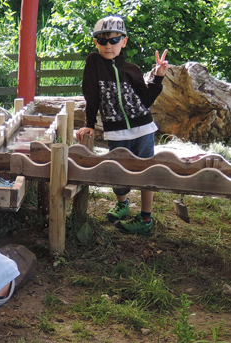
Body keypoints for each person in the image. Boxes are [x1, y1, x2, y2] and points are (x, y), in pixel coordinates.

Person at [76, 15, 169, 235]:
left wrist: (158, 78)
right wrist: (89, 124)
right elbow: (91, 94)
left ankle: (146, 218)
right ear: (96, 43)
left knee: (146, 171)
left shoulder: (132, 69)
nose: (108, 45)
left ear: (124, 41)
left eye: (114, 40)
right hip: (116, 132)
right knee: (117, 173)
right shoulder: (94, 63)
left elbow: (146, 100)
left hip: (143, 129)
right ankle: (122, 204)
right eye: (102, 40)